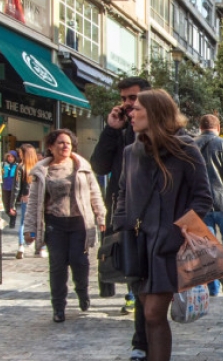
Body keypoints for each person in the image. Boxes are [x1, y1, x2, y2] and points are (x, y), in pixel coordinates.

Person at [112, 89, 212, 361]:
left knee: (153, 313)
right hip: (137, 243)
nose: (131, 113)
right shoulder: (131, 152)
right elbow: (122, 191)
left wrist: (179, 230)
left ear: (154, 112)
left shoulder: (185, 147)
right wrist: (120, 225)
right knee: (149, 316)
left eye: (137, 109)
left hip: (169, 247)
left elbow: (203, 196)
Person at [90, 76, 151, 360]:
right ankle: (141, 341)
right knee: (134, 279)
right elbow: (99, 166)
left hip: (151, 218)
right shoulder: (120, 130)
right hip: (124, 217)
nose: (127, 104)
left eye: (133, 98)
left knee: (144, 283)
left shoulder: (155, 130)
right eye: (124, 98)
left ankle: (144, 339)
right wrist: (111, 130)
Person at [23, 129, 106, 323]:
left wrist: (101, 216)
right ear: (51, 147)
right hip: (55, 224)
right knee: (57, 266)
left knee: (80, 262)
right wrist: (29, 228)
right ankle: (58, 306)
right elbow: (34, 201)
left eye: (68, 143)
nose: (65, 146)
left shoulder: (82, 167)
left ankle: (82, 293)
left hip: (79, 223)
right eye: (60, 143)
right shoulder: (42, 171)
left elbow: (95, 193)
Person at [193, 114, 223, 297]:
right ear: (218, 128)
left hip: (200, 203)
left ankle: (213, 289)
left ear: (200, 127)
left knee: (208, 247)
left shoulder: (190, 145)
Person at [10, 144, 39, 259]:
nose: (19, 155)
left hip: (25, 198)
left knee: (23, 223)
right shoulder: (39, 167)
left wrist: (12, 205)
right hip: (38, 198)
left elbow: (16, 187)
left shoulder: (21, 167)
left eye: (21, 153)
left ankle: (21, 246)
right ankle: (39, 247)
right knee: (37, 223)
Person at [2, 150, 19, 229]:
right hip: (5, 187)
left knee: (12, 206)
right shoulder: (4, 165)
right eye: (8, 156)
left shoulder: (17, 166)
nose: (10, 158)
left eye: (12, 156)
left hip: (12, 188)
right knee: (6, 207)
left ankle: (13, 219)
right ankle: (12, 216)